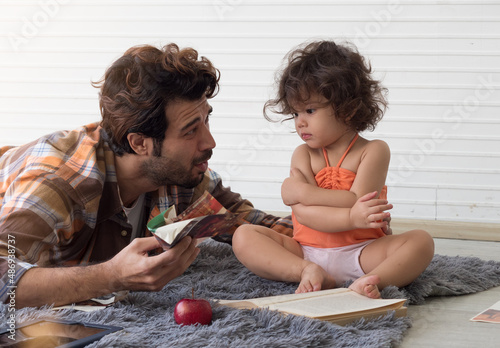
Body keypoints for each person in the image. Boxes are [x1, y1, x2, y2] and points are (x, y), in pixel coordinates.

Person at [0, 43, 293, 308]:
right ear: (140, 143)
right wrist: (111, 275)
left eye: (206, 119)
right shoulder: (60, 182)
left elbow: (258, 223)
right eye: (191, 130)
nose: (210, 142)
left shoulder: (181, 178)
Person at [232, 40, 435, 298]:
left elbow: (354, 200)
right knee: (244, 236)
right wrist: (343, 211)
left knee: (421, 242)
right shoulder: (303, 154)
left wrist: (304, 193)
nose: (300, 122)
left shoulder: (373, 150)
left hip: (362, 252)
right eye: (295, 114)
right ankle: (306, 271)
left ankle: (371, 281)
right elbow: (304, 217)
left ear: (347, 109)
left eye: (310, 110)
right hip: (306, 251)